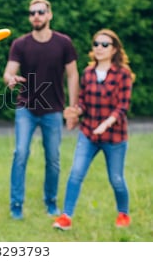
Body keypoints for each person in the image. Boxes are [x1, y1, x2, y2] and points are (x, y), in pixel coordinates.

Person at [3, 0, 79, 219]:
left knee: (53, 158)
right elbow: (8, 71)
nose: (36, 16)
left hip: (53, 109)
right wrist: (10, 79)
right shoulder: (20, 44)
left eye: (40, 12)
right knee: (20, 153)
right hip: (26, 107)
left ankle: (51, 202)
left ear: (49, 15)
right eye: (32, 12)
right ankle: (16, 205)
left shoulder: (64, 43)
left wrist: (73, 108)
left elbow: (73, 75)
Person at [53, 29, 135, 230]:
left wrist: (106, 123)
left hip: (114, 137)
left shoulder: (123, 74)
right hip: (89, 134)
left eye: (105, 45)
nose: (99, 48)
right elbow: (84, 103)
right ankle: (66, 217)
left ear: (114, 49)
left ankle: (123, 214)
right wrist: (75, 111)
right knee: (76, 173)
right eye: (96, 44)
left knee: (116, 179)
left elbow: (122, 107)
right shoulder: (88, 73)